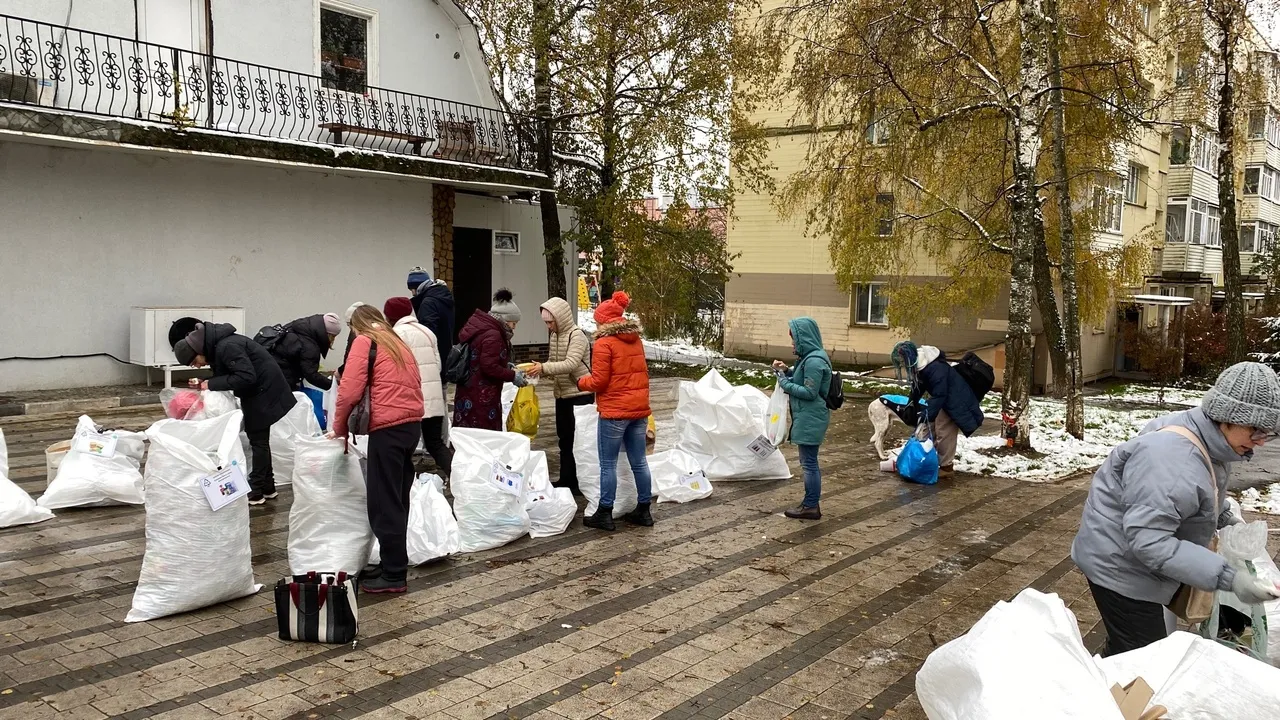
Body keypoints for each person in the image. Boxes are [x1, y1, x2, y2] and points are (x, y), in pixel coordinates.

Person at [1072, 362, 1280, 656]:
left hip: (1130, 559)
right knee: (1144, 663)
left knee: (1130, 649)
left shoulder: (1206, 437)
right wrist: (1229, 578)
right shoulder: (1173, 458)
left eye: (1269, 434)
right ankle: (1101, 694)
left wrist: (1224, 519)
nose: (1259, 442)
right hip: (1121, 569)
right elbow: (1150, 541)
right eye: (1256, 430)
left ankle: (1111, 670)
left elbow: (1192, 493)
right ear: (1227, 417)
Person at [328, 305, 424, 594]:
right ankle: (391, 562)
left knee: (384, 502)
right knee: (397, 498)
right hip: (410, 426)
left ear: (356, 325)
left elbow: (349, 391)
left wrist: (340, 427)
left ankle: (394, 574)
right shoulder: (395, 341)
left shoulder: (365, 340)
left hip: (388, 430)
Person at [170, 319, 296, 505]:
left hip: (264, 392)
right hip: (259, 391)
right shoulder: (217, 346)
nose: (196, 366)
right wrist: (205, 381)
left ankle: (256, 491)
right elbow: (230, 372)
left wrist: (211, 384)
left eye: (194, 362)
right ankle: (267, 488)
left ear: (198, 351)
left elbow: (246, 377)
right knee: (259, 440)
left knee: (258, 441)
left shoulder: (227, 346)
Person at [577, 291, 653, 531]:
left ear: (603, 320)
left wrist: (581, 382)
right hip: (639, 410)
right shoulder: (635, 339)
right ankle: (644, 510)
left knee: (607, 464)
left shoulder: (604, 343)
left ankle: (605, 512)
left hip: (615, 412)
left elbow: (599, 381)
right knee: (639, 462)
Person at [528, 297, 592, 492]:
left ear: (560, 318)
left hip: (580, 393)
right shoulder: (555, 336)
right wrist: (538, 369)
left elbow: (571, 363)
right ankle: (567, 480)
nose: (548, 326)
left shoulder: (577, 335)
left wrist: (544, 368)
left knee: (579, 441)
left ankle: (582, 481)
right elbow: (553, 361)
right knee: (564, 439)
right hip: (562, 394)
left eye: (550, 322)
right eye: (546, 323)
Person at [893, 341, 983, 479]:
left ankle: (946, 467)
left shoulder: (935, 368)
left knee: (943, 430)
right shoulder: (922, 365)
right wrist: (911, 403)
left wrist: (927, 414)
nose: (903, 364)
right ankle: (929, 460)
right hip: (943, 400)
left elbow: (940, 393)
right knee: (930, 429)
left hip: (955, 402)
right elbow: (918, 386)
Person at [771, 317, 832, 520]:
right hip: (808, 416)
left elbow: (809, 392)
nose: (793, 344)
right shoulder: (810, 358)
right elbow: (802, 377)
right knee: (808, 462)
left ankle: (810, 506)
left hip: (811, 418)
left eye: (795, 340)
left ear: (804, 338)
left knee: (809, 464)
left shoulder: (814, 360)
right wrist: (787, 371)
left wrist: (783, 382)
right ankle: (810, 504)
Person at [384, 296, 452, 477]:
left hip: (410, 399)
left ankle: (405, 485)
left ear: (390, 317)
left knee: (404, 445)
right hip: (433, 397)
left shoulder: (395, 335)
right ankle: (458, 477)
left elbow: (394, 369)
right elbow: (437, 365)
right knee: (435, 443)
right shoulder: (427, 332)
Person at [454, 289, 529, 430]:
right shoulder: (493, 334)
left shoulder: (482, 328)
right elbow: (488, 366)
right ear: (505, 321)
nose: (514, 328)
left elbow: (483, 357)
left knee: (468, 432)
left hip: (469, 390)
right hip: (482, 395)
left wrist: (504, 364)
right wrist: (512, 375)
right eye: (514, 323)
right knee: (485, 435)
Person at [268, 313, 340, 391]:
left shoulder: (297, 326)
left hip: (269, 369)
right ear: (328, 335)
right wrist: (334, 386)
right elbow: (311, 375)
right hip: (281, 379)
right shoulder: (310, 345)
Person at [409, 268, 456, 360]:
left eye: (412, 289)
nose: (412, 293)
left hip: (434, 355)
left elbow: (428, 333)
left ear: (418, 287)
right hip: (446, 351)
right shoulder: (443, 296)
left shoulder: (428, 302)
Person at [337, 302, 365, 380]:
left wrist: (341, 371)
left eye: (349, 324)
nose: (349, 327)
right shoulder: (354, 333)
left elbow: (352, 357)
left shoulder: (358, 335)